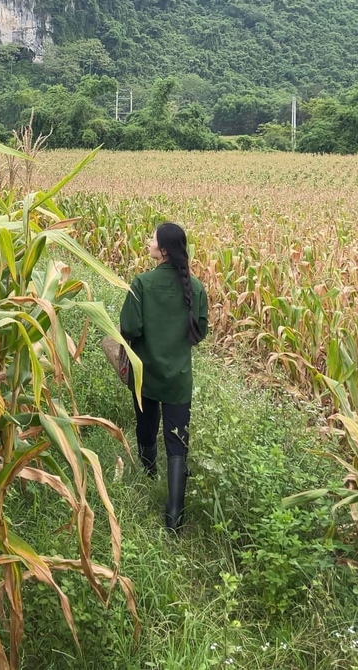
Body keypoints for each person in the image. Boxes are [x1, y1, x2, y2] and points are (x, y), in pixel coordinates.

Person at [119, 222, 208, 531]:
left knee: (146, 426)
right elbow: (201, 332)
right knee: (177, 440)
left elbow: (129, 328)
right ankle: (174, 516)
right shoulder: (194, 287)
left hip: (145, 375)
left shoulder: (142, 284)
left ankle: (147, 475)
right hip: (178, 379)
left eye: (152, 238)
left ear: (164, 250)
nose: (148, 241)